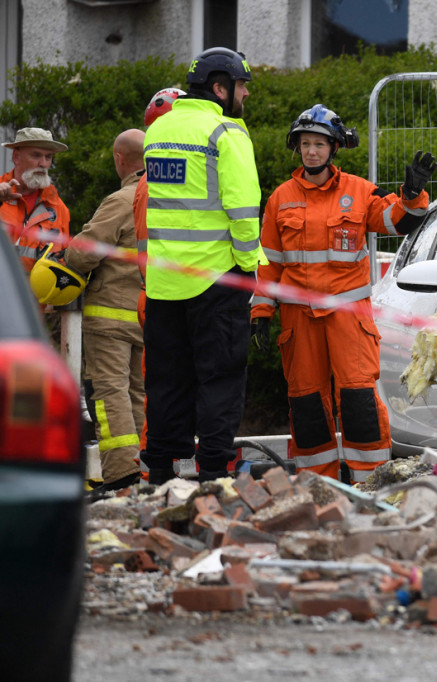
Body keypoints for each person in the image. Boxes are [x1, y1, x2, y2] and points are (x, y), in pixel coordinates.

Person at [250, 104, 436, 482]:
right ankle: (317, 481)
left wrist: (413, 194)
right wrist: (260, 313)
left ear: (334, 148)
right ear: (297, 148)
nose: (311, 151)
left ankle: (370, 480)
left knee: (358, 398)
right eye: (305, 144)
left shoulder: (358, 190)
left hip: (349, 316)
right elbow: (269, 263)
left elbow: (397, 222)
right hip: (299, 318)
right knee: (305, 402)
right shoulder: (279, 199)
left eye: (319, 144)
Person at [142, 47, 263, 485]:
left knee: (167, 380)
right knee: (220, 377)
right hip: (216, 277)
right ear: (220, 87)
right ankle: (213, 471)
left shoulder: (159, 130)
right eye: (242, 87)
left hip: (163, 282)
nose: (244, 96)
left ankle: (162, 472)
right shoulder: (226, 131)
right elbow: (243, 210)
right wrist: (250, 269)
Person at [64, 129, 147, 493]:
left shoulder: (122, 199)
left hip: (110, 317)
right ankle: (143, 466)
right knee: (138, 395)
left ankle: (119, 474)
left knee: (109, 393)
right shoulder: (166, 199)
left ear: (119, 159)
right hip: (148, 316)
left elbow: (83, 254)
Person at [133, 87, 186, 477]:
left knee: (172, 391)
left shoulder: (156, 178)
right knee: (166, 393)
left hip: (165, 293)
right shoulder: (156, 182)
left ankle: (170, 473)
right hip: (165, 296)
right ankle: (158, 476)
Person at [0, 127, 70, 272]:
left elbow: (62, 262)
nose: (43, 164)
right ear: (16, 157)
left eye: (48, 157)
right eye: (36, 156)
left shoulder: (59, 208)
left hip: (37, 294)